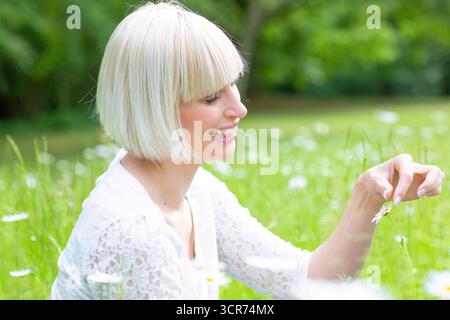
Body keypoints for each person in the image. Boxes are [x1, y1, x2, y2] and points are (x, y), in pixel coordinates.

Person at [50, 1, 445, 299]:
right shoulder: (135, 233)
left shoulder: (196, 191)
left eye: (231, 85)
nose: (239, 109)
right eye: (210, 97)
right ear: (154, 108)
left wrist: (368, 196)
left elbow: (301, 281)